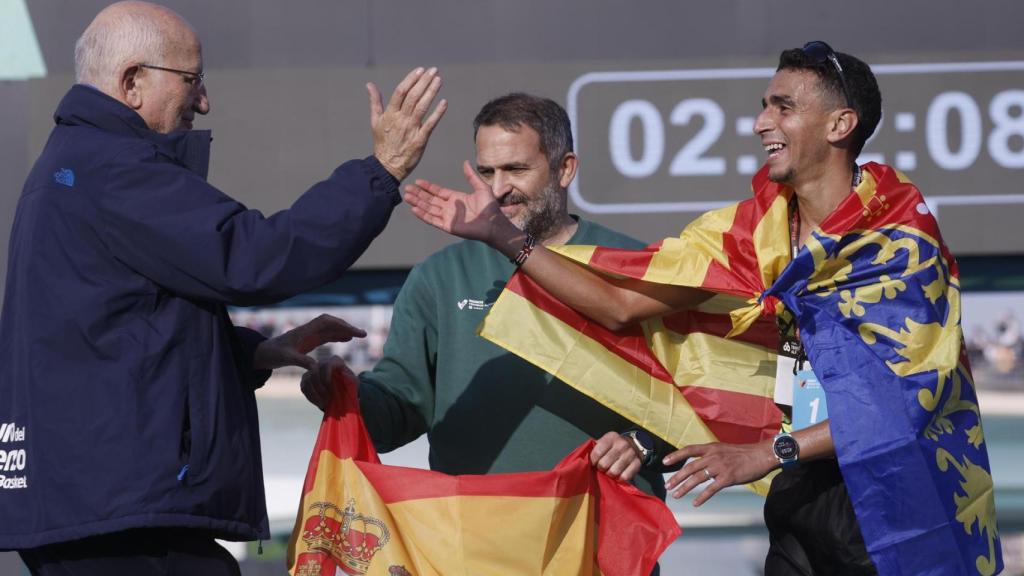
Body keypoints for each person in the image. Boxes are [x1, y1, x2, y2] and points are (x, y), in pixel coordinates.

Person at [405, 44, 1001, 575]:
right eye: (765, 104)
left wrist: (765, 453)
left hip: (898, 498)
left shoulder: (901, 245)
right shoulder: (750, 232)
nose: (761, 121)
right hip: (798, 495)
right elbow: (618, 305)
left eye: (783, 106)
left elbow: (903, 401)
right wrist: (501, 236)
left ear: (840, 124)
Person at [0, 2, 445, 574]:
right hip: (125, 516)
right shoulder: (113, 167)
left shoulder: (73, 165)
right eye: (192, 80)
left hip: (101, 506)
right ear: (133, 81)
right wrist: (381, 173)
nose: (204, 100)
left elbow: (106, 332)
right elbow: (255, 256)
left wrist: (248, 353)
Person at [351, 93, 670, 498]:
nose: (498, 189)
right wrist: (344, 394)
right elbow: (396, 413)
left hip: (602, 536)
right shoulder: (440, 277)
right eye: (487, 172)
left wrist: (644, 444)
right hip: (476, 538)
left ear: (565, 169)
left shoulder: (635, 265)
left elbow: (694, 396)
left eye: (516, 169)